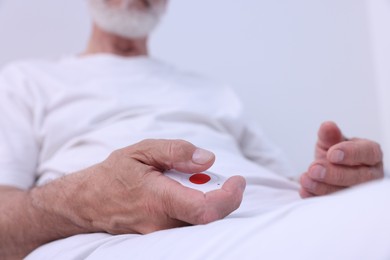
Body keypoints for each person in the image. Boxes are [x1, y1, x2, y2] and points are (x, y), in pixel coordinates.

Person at [0, 0, 388, 259]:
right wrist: (86, 202)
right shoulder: (27, 81)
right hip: (133, 240)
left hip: (278, 217)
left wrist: (331, 184)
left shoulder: (211, 89)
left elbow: (295, 185)